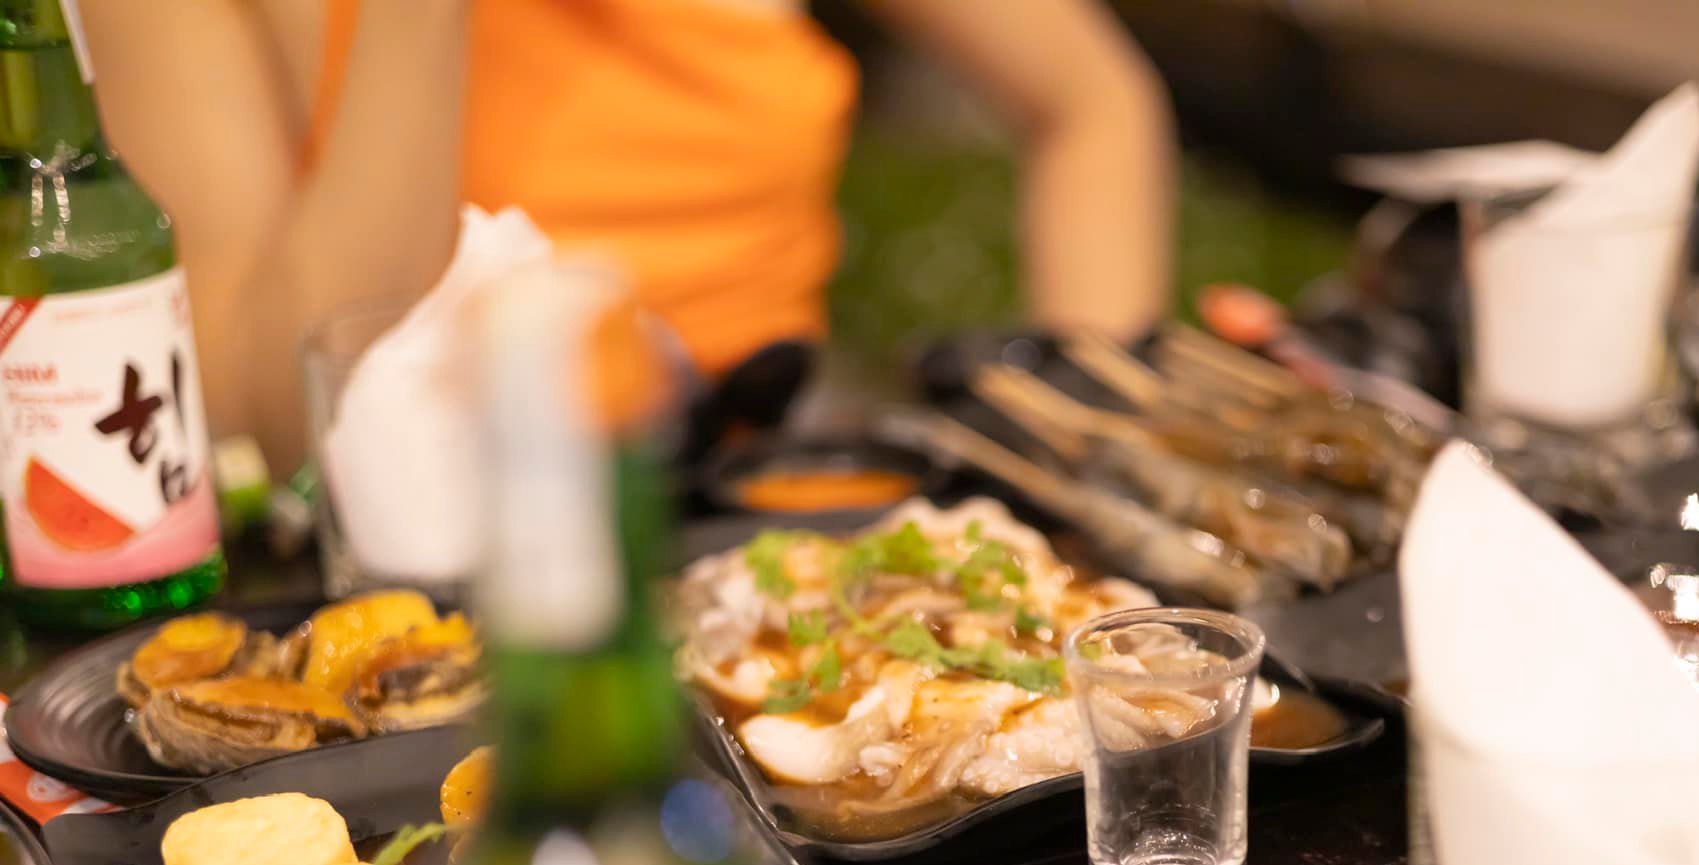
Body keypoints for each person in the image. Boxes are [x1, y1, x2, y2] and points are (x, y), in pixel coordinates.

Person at [76, 0, 1177, 474]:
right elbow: (278, 417)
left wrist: (1086, 449)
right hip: (435, 579)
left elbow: (1092, 106)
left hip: (764, 503)